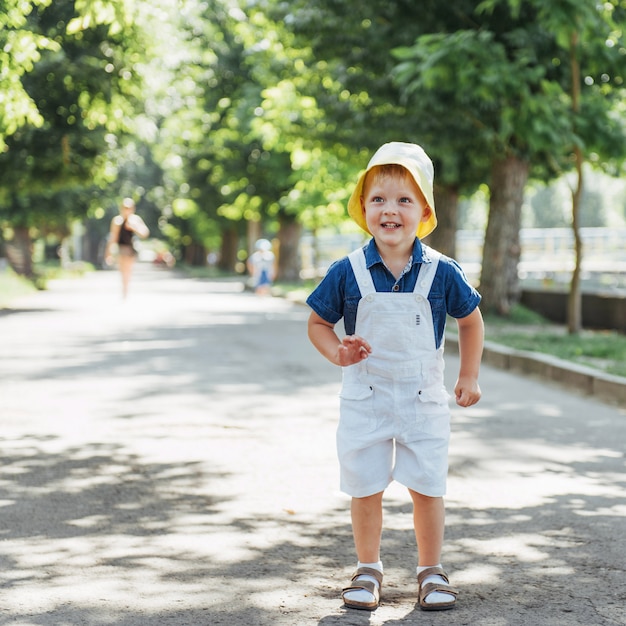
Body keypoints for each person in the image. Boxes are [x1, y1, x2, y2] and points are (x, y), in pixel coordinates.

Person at [306, 142, 484, 612]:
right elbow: (317, 324)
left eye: (404, 200)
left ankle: (430, 570)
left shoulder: (443, 272)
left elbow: (472, 320)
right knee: (365, 485)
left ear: (424, 210)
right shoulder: (346, 272)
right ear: (363, 207)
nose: (390, 210)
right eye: (379, 199)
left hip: (423, 399)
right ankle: (368, 567)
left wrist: (469, 375)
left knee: (427, 485)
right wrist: (337, 353)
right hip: (364, 396)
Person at [105, 197, 150, 299]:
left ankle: (126, 290)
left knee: (128, 271)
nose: (127, 210)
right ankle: (124, 290)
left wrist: (134, 227)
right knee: (123, 271)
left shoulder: (135, 220)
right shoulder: (117, 221)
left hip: (131, 249)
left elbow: (145, 233)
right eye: (125, 207)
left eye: (129, 208)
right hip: (121, 249)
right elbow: (113, 238)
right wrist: (108, 253)